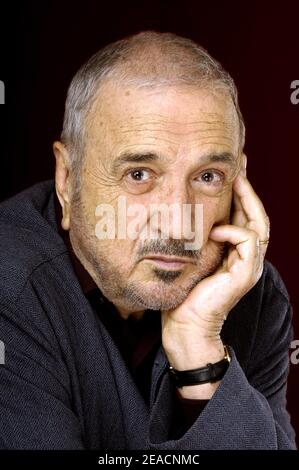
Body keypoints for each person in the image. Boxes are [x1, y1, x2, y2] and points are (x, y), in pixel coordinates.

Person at [0, 31, 296, 449]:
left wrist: (200, 352)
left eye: (208, 176)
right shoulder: (8, 289)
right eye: (139, 174)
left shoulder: (252, 295)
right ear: (67, 180)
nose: (178, 225)